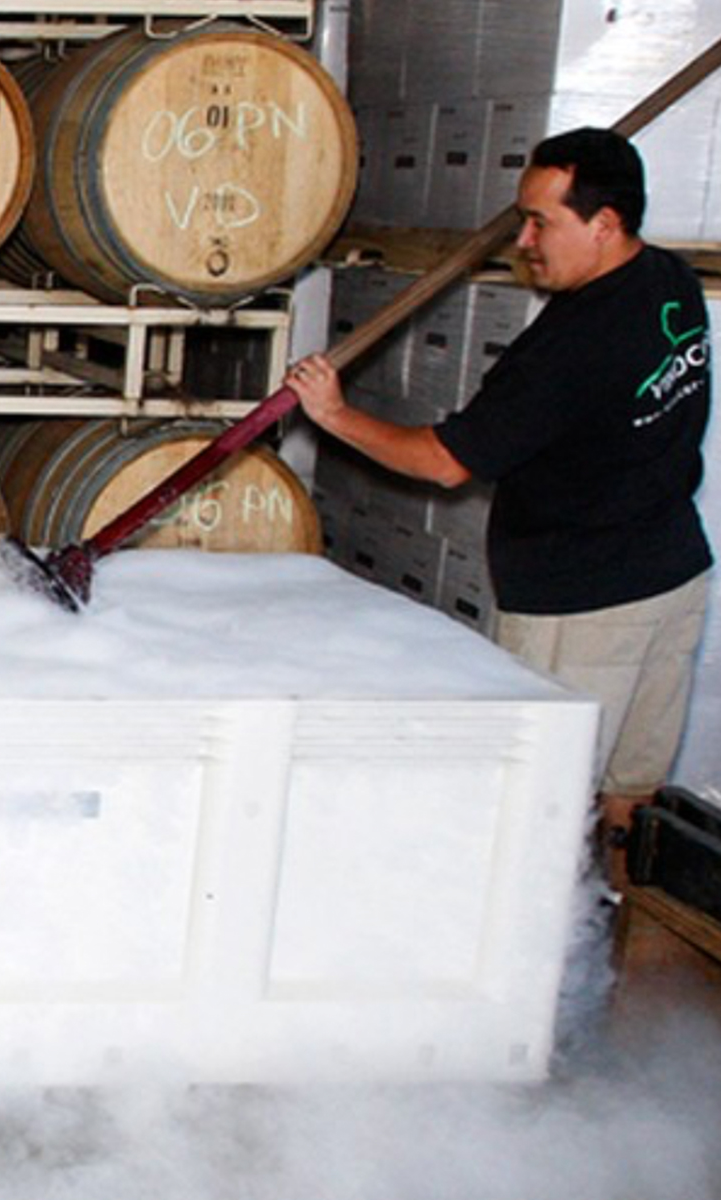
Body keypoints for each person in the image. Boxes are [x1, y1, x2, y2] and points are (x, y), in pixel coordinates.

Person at [285, 127, 712, 880]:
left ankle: (538, 965)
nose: (523, 239)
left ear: (604, 224)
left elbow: (445, 462)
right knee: (631, 789)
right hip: (673, 573)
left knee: (543, 801)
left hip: (582, 601)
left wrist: (334, 414)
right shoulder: (669, 281)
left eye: (541, 220)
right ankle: (615, 940)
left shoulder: (571, 346)